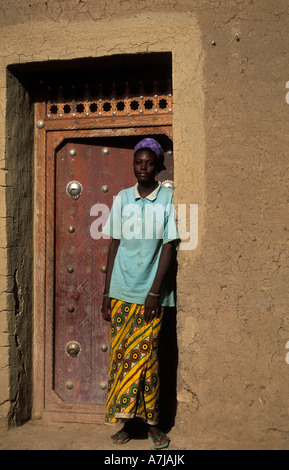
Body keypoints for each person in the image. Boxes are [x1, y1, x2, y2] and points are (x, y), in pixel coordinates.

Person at [101, 137, 179, 449]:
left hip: (151, 296)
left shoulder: (168, 199)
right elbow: (114, 244)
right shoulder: (122, 198)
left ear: (159, 167)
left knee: (147, 361)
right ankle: (127, 423)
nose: (143, 168)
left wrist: (154, 293)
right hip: (121, 291)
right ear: (133, 165)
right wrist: (107, 293)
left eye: (149, 163)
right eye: (138, 162)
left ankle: (153, 426)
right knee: (122, 359)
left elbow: (169, 246)